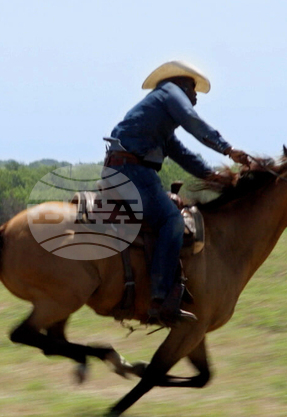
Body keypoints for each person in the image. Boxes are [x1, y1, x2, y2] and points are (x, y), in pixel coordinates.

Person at [105, 61, 252, 325]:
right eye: (193, 89)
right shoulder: (170, 92)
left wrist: (210, 174)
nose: (195, 97)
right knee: (171, 220)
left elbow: (178, 151)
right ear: (182, 85)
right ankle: (160, 297)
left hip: (124, 170)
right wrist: (227, 149)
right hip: (133, 172)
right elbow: (192, 121)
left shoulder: (158, 117)